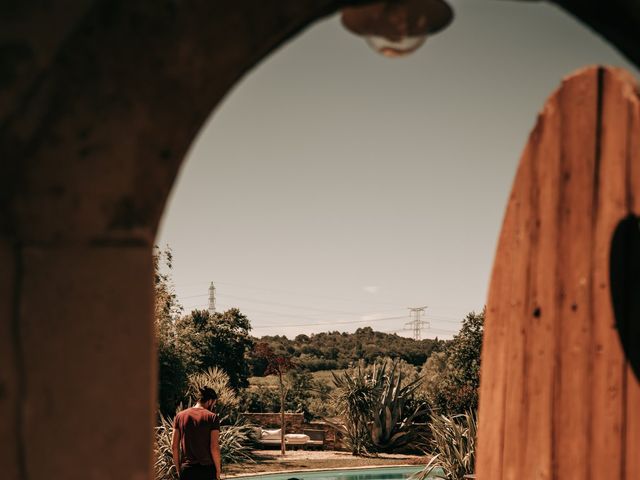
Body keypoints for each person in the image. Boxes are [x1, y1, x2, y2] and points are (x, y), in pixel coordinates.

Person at [172, 387, 222, 480]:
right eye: (214, 404)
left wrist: (178, 469)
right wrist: (218, 470)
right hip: (207, 470)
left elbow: (174, 446)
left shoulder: (180, 416)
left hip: (187, 470)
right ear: (210, 401)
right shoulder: (212, 417)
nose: (213, 407)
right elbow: (214, 447)